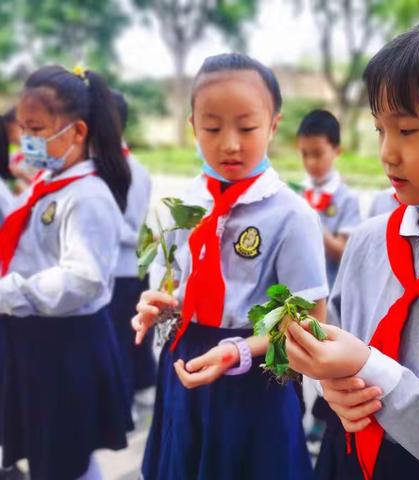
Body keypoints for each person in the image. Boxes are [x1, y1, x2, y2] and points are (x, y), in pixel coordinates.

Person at [284, 10, 419, 480]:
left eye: (408, 130)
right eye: (380, 129)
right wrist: (333, 383)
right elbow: (339, 349)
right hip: (346, 455)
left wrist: (377, 374)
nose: (387, 152)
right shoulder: (371, 242)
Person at [132, 53, 329, 480]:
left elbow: (310, 321)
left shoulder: (292, 216)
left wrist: (239, 351)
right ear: (192, 127)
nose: (230, 143)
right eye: (213, 127)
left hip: (254, 377)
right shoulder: (185, 205)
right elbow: (185, 286)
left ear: (274, 125)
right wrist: (166, 304)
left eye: (247, 126)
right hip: (187, 361)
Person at [0, 65, 133, 480]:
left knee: (63, 459)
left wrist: (8, 292)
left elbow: (81, 278)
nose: (26, 140)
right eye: (23, 128)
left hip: (65, 346)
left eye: (37, 129)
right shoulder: (48, 183)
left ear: (76, 132)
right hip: (37, 339)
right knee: (52, 455)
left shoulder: (86, 195)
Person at [108, 89, 156, 412]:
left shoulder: (133, 171)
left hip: (125, 271)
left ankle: (124, 405)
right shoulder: (105, 166)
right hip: (113, 270)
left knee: (121, 344)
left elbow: (134, 230)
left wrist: (99, 222)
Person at [297, 109, 361, 288]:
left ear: (337, 151)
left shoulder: (347, 198)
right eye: (304, 154)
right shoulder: (298, 193)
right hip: (295, 292)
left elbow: (345, 252)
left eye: (317, 154)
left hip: (329, 293)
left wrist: (313, 222)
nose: (310, 162)